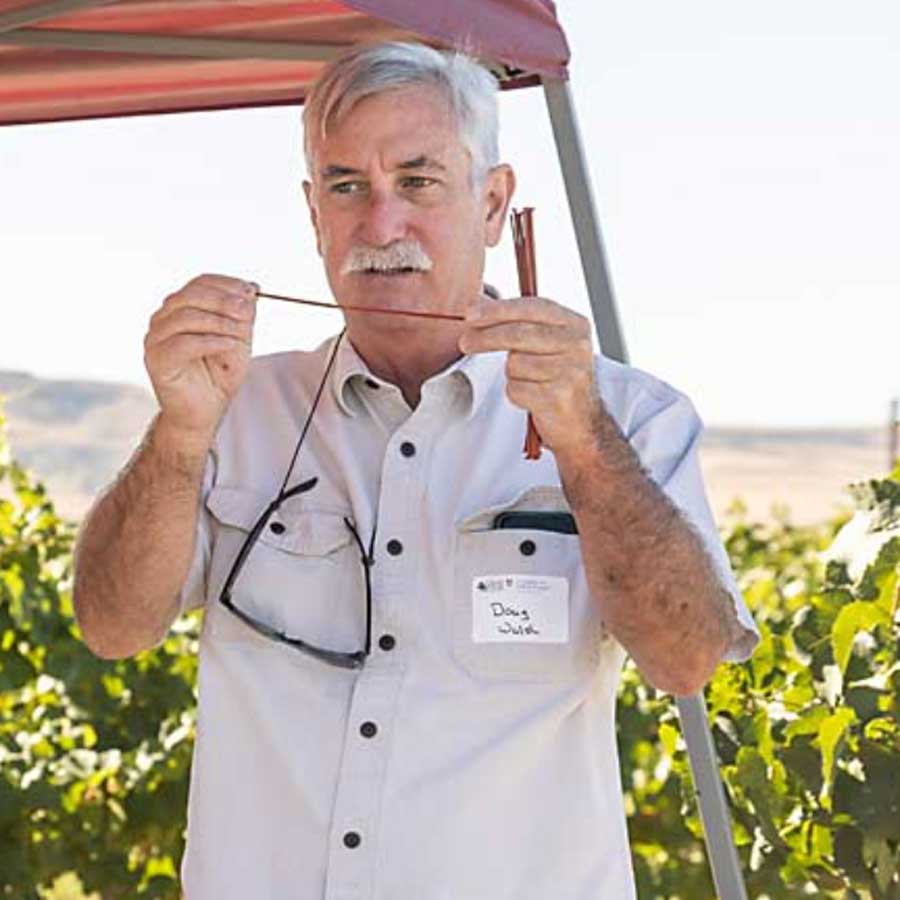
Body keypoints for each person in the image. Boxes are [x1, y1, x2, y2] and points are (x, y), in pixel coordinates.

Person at [73, 41, 758, 900]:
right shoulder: (229, 408)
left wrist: (583, 442)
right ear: (311, 210)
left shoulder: (629, 415)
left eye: (419, 181)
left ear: (494, 202)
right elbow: (111, 626)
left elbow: (687, 657)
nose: (380, 224)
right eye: (346, 185)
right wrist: (176, 436)